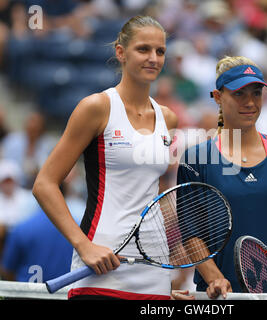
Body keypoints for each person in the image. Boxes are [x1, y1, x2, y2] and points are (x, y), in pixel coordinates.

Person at [32, 15, 178, 300]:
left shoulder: (168, 117)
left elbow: (150, 190)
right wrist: (83, 246)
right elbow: (44, 184)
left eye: (160, 51)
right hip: (101, 264)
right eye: (143, 49)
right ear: (120, 52)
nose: (153, 58)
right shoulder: (96, 107)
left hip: (156, 269)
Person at [176, 56, 267, 299]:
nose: (250, 102)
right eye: (239, 94)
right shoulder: (196, 159)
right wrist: (215, 279)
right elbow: (192, 234)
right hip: (223, 298)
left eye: (256, 93)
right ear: (218, 97)